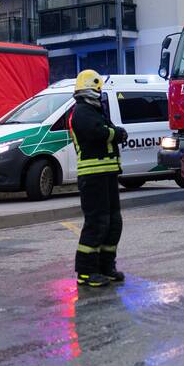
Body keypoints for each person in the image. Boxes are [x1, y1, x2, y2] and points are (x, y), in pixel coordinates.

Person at [70, 69, 128, 288]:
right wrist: (117, 133)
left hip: (107, 174)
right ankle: (86, 272)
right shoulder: (82, 111)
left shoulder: (95, 111)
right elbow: (99, 132)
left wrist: (114, 131)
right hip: (92, 176)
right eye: (99, 89)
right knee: (97, 223)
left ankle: (106, 267)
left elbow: (107, 129)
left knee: (113, 222)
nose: (101, 93)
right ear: (91, 89)